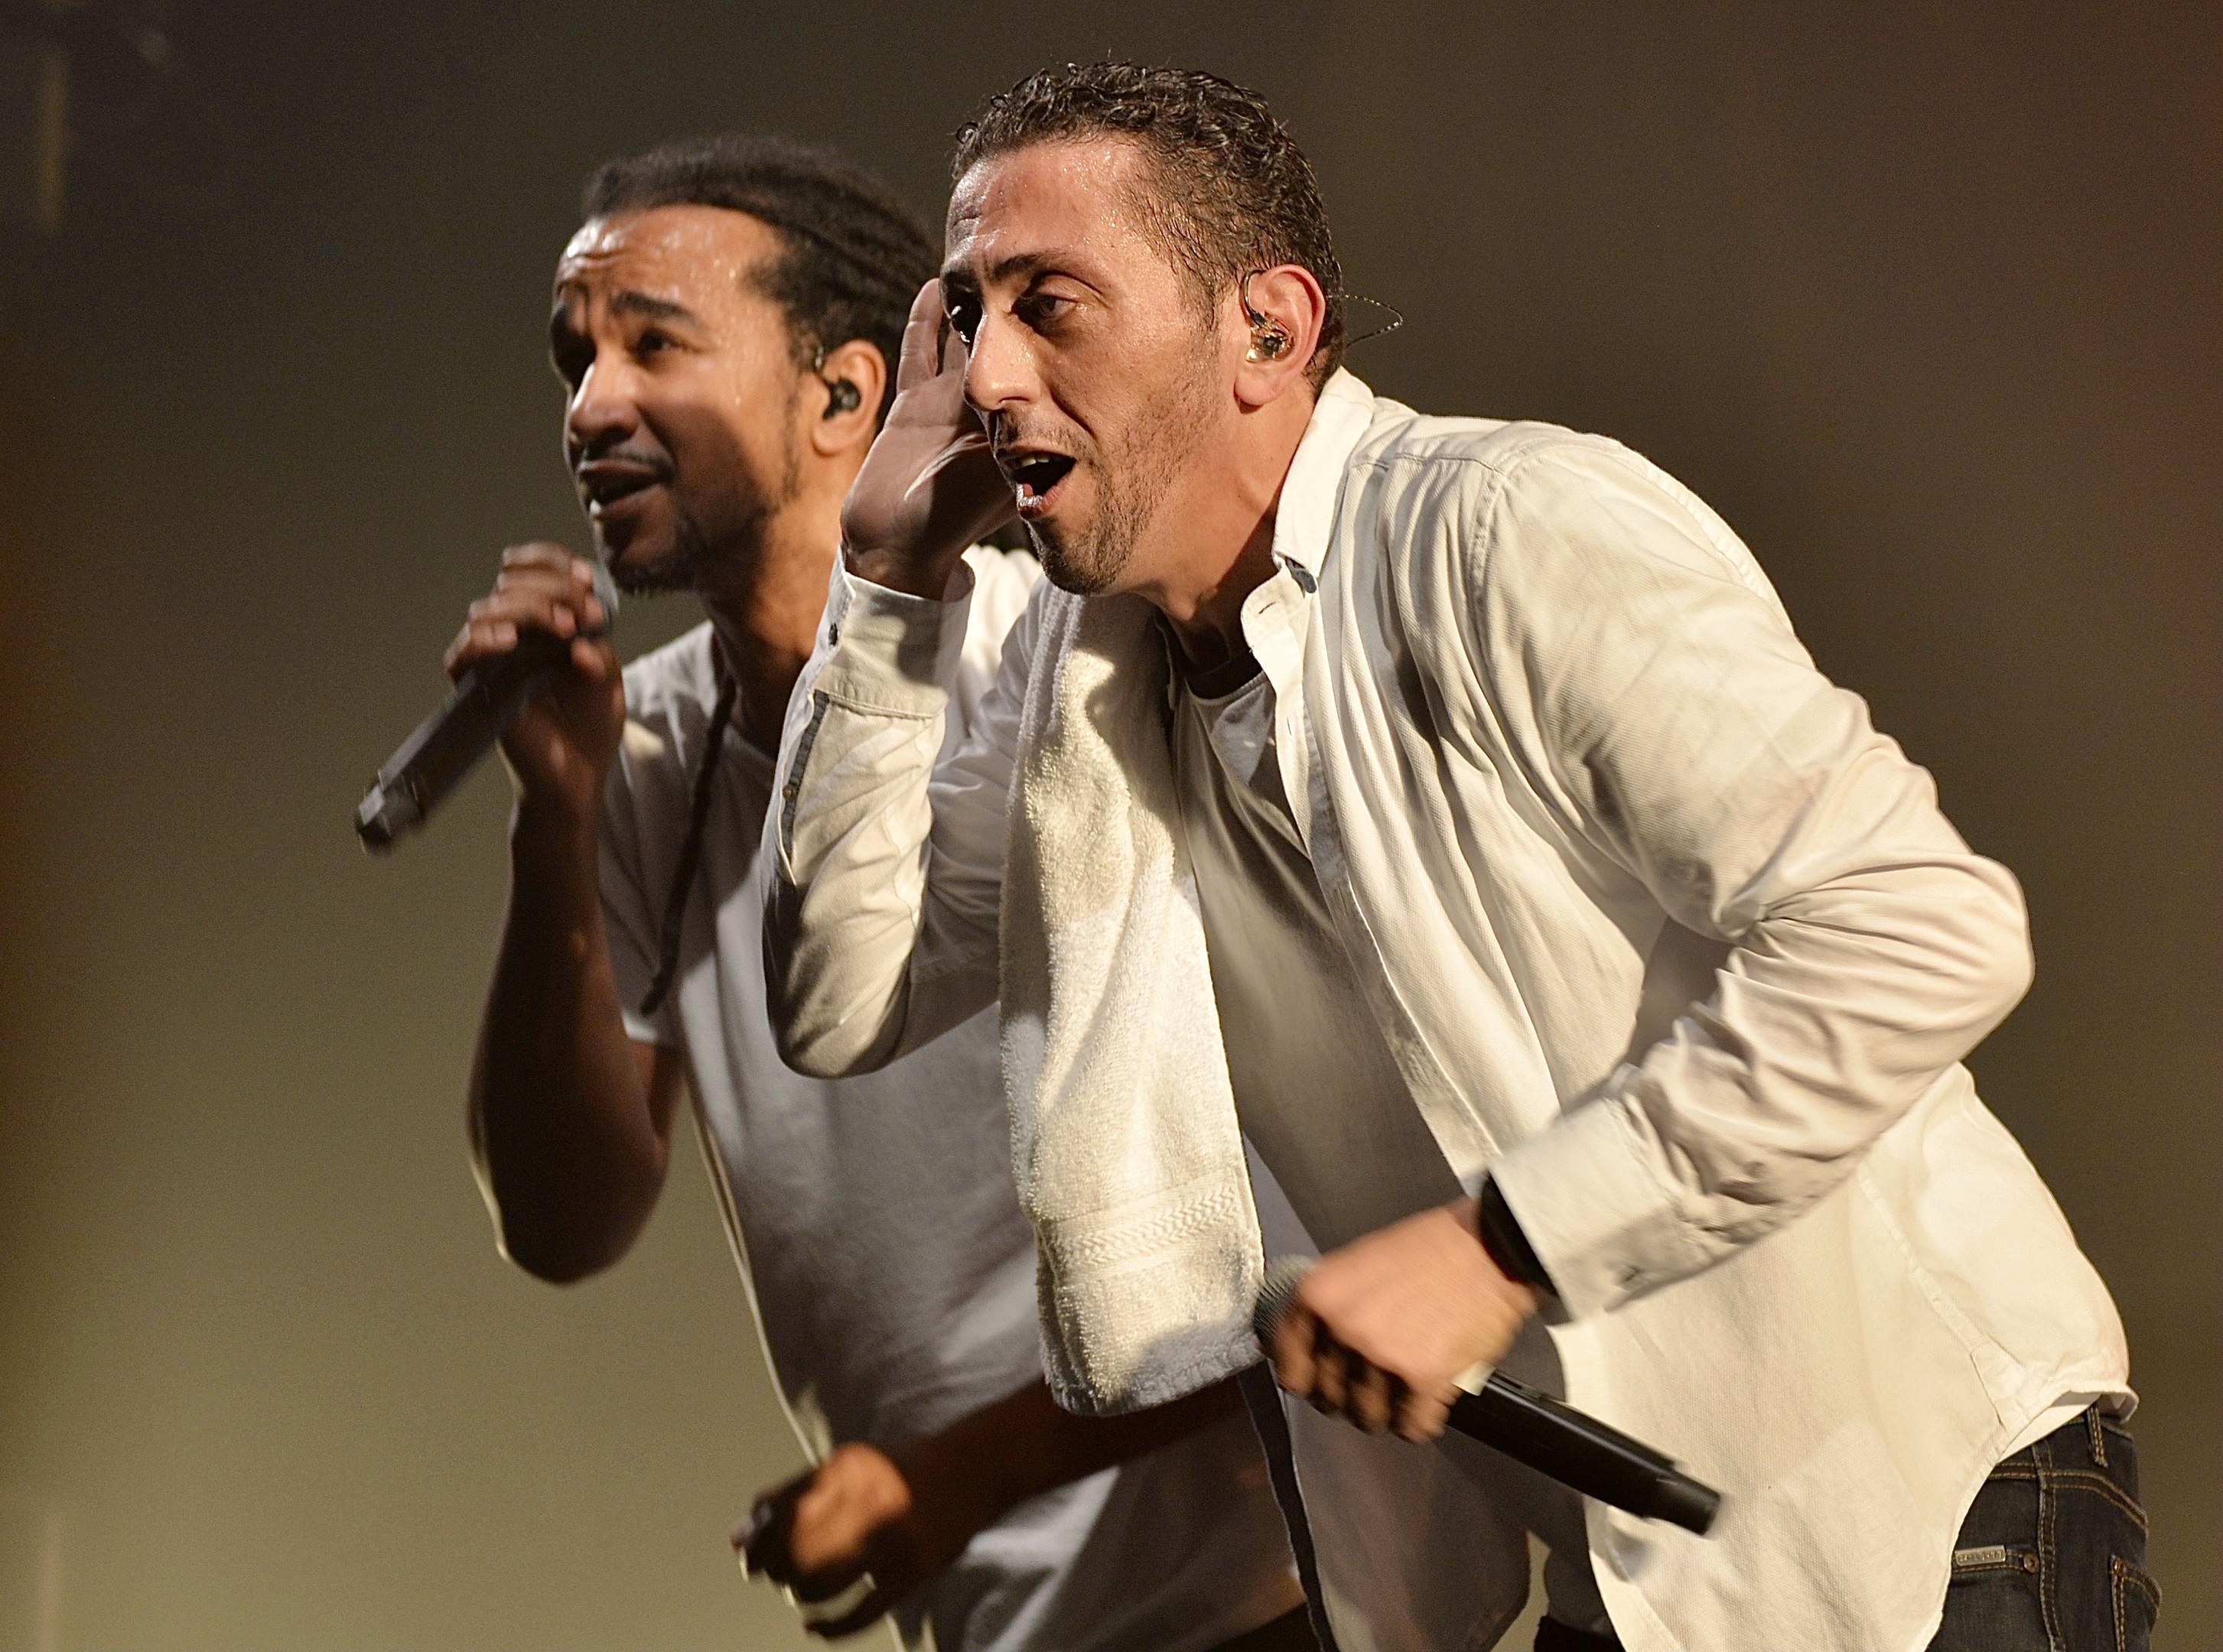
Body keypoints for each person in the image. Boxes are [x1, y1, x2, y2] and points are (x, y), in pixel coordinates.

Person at [760, 65, 2152, 1652]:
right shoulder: (1082, 702)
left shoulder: (1502, 530)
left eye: (1050, 304)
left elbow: (1915, 929)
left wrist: (1501, 1245)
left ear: (1267, 331)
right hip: (1631, 1565)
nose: (988, 374)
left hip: (1916, 1507)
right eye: (969, 310)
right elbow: (838, 998)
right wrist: (881, 584)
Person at [449, 132, 1306, 1652]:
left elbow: (1299, 1221)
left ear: (847, 393)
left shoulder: (1080, 657)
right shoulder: (641, 745)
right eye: (573, 355)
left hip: (1245, 1600)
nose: (589, 406)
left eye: (654, 343)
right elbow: (564, 1220)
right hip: (972, 1617)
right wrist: (557, 818)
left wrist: (968, 1470)